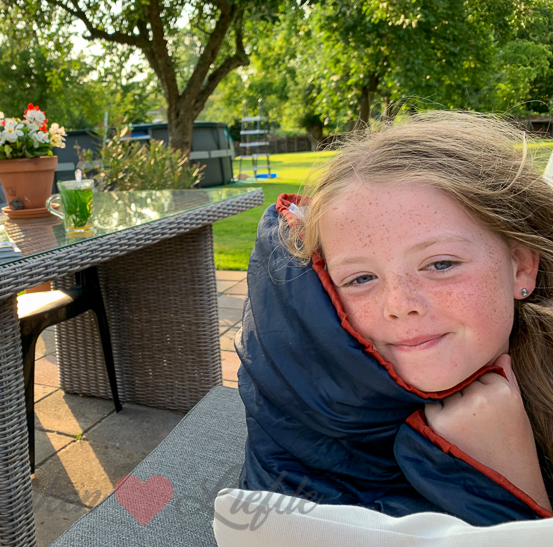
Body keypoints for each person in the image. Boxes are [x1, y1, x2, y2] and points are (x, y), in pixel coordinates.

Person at [236, 112, 553, 526]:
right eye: (361, 278)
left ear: (521, 267)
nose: (400, 304)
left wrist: (513, 465)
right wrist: (508, 490)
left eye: (440, 264)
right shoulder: (307, 412)